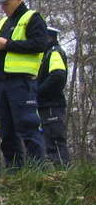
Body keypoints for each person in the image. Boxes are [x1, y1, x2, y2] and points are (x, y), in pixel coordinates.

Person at [0, 0, 47, 170]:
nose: (3, 7)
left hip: (21, 82)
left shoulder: (32, 18)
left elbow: (39, 45)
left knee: (28, 126)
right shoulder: (2, 23)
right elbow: (0, 51)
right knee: (6, 130)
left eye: (6, 3)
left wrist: (8, 44)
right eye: (1, 4)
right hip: (1, 83)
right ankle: (15, 171)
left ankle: (37, 169)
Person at [38, 27, 70, 166]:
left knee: (55, 139)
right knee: (48, 140)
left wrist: (38, 91)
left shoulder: (54, 52)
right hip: (47, 104)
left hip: (52, 104)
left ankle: (62, 171)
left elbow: (58, 75)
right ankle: (57, 170)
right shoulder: (46, 54)